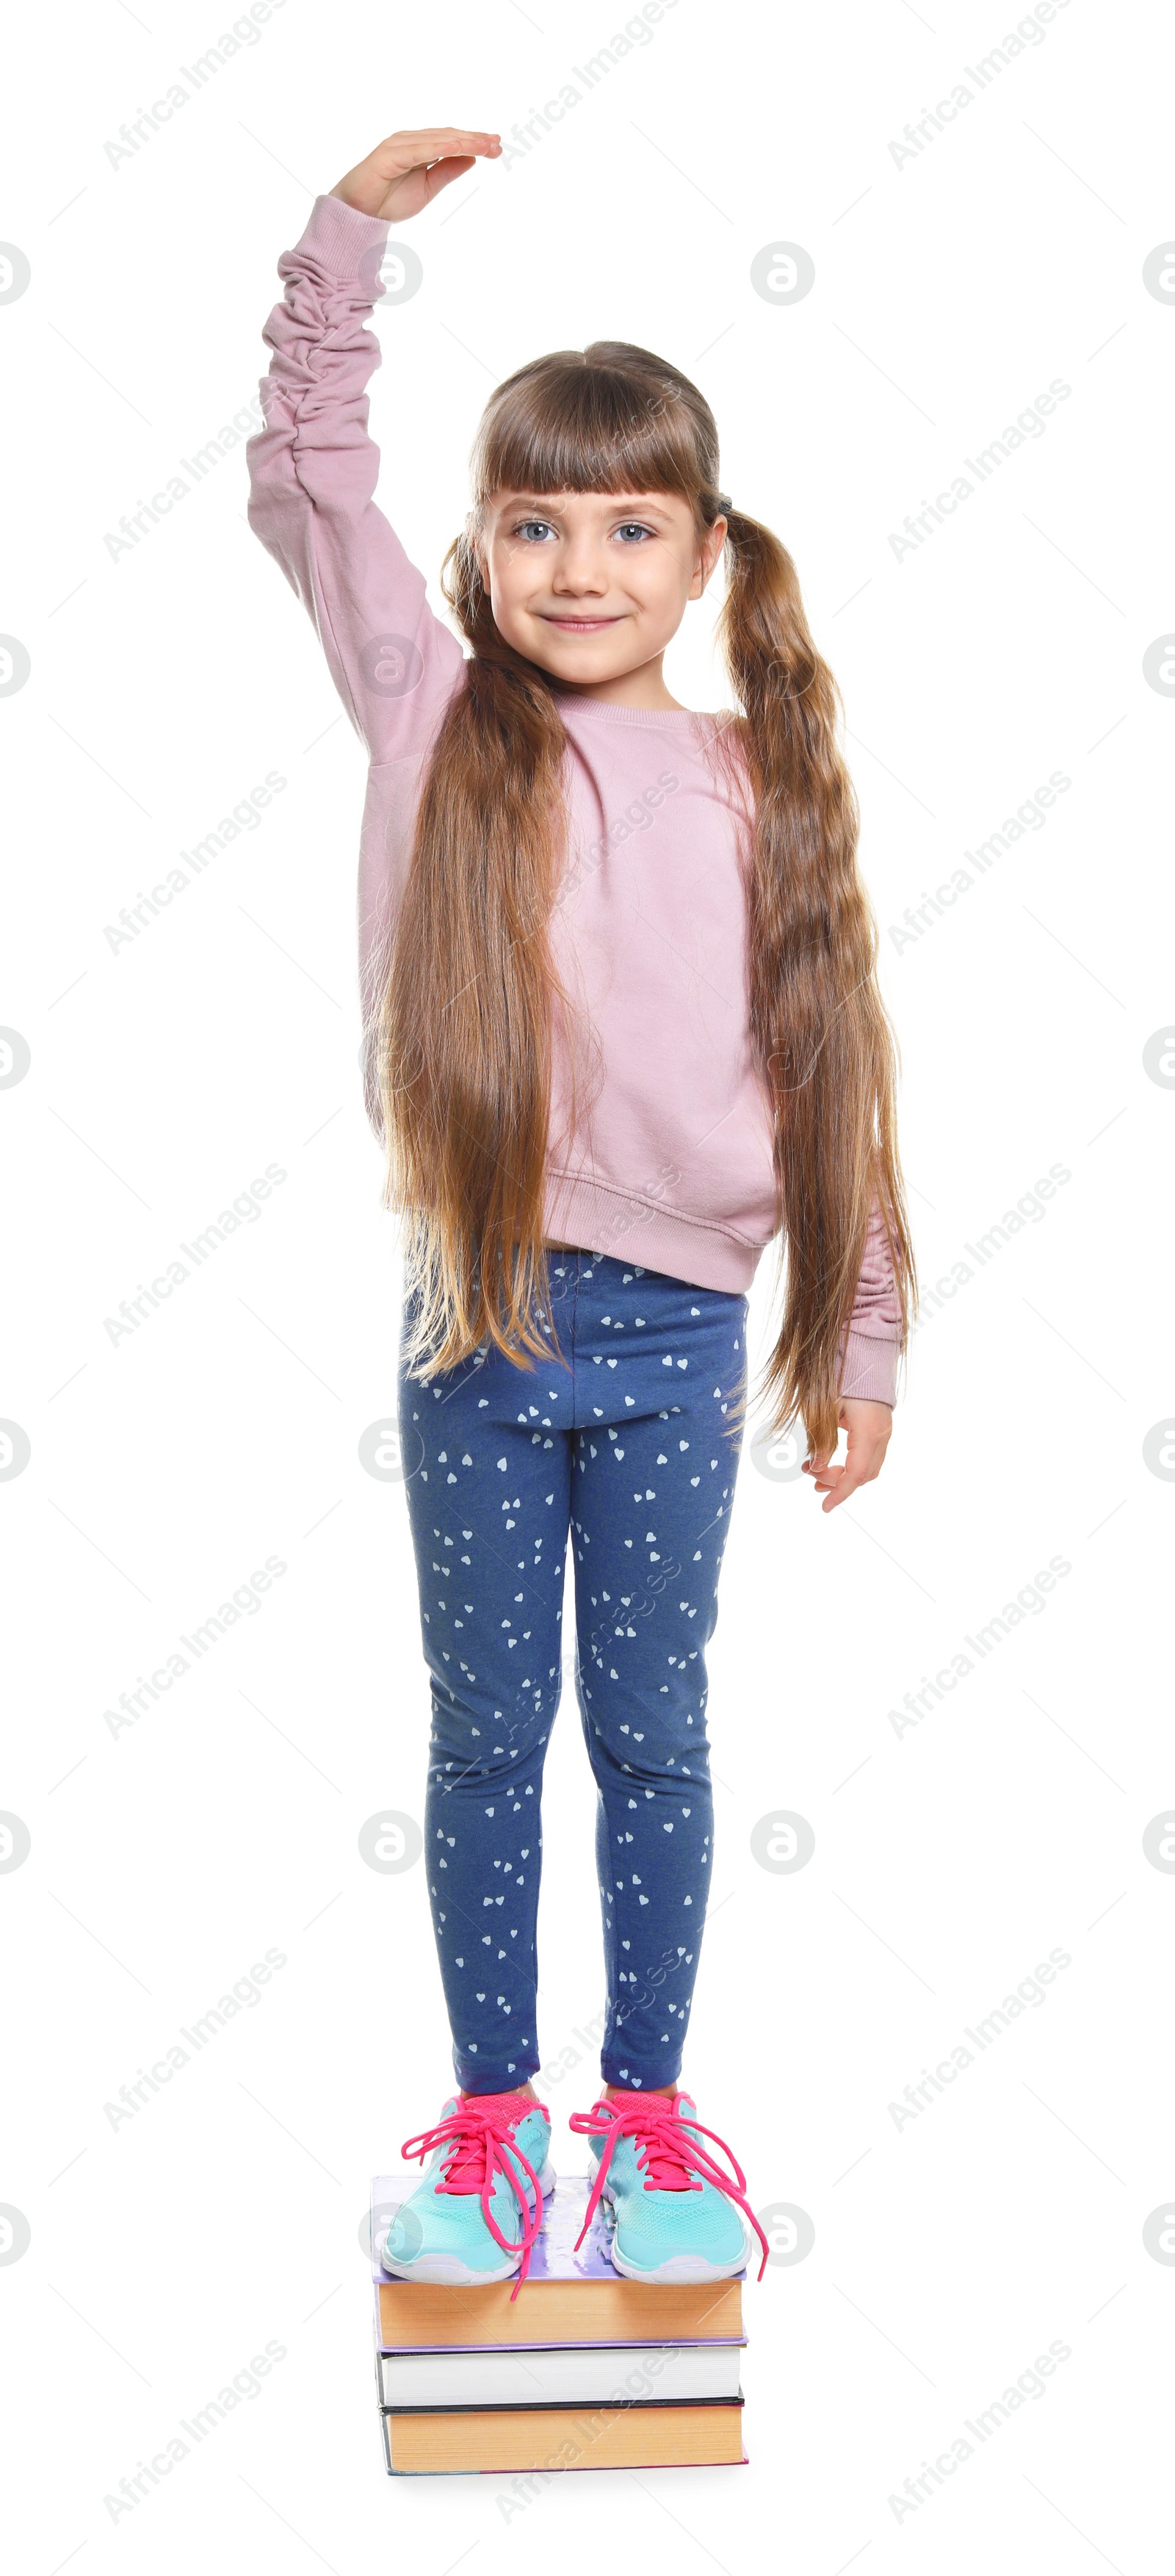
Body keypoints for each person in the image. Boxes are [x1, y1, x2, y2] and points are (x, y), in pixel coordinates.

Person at [247, 127, 915, 2291]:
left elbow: (838, 1078)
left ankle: (643, 2113)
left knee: (649, 1734)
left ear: (703, 551)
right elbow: (303, 469)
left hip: (678, 1337)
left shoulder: (756, 775)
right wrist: (346, 244)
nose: (578, 563)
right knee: (481, 1737)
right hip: (480, 1320)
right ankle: (483, 2119)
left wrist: (867, 1331)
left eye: (629, 524)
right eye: (533, 521)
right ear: (478, 546)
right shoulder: (433, 717)